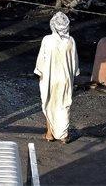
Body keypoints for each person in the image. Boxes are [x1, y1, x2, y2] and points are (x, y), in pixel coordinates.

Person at [34, 12, 79, 143]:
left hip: (49, 78)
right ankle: (64, 135)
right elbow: (74, 62)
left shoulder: (47, 40)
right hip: (65, 79)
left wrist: (39, 73)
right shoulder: (70, 41)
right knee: (64, 105)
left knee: (49, 104)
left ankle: (49, 133)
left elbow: (41, 60)